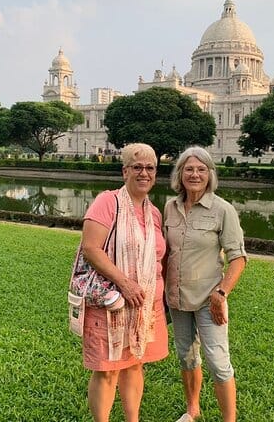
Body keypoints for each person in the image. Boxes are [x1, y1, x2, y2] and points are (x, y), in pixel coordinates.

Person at [80, 142, 168, 422]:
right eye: (137, 167)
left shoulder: (154, 213)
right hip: (113, 302)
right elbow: (91, 248)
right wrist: (126, 284)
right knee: (107, 370)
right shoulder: (108, 202)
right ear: (125, 171)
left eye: (150, 168)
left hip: (145, 306)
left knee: (134, 364)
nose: (144, 173)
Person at [163, 146, 247, 422]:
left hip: (209, 299)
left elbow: (238, 258)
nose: (195, 174)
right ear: (180, 174)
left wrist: (221, 293)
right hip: (177, 297)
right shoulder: (170, 207)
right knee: (186, 356)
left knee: (218, 362)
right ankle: (192, 410)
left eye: (201, 169)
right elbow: (166, 252)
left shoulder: (223, 210)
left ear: (210, 174)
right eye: (189, 169)